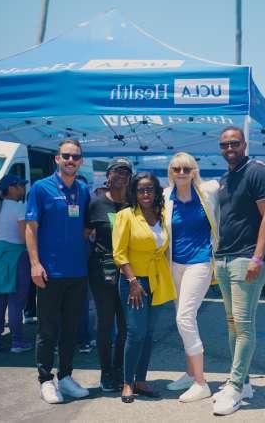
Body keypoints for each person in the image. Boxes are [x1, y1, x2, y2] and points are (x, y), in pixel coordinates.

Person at [211, 126, 265, 416]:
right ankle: (244, 382)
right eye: (224, 144)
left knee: (244, 323)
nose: (229, 148)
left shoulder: (256, 172)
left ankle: (235, 387)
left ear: (244, 144)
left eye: (234, 143)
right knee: (231, 324)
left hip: (245, 259)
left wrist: (257, 258)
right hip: (224, 258)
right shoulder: (226, 179)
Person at [25, 139, 91, 404]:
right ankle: (45, 380)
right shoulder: (40, 188)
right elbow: (31, 227)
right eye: (66, 156)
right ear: (57, 158)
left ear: (81, 161)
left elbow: (86, 226)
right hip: (49, 272)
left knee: (71, 330)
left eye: (75, 156)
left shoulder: (83, 190)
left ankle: (65, 376)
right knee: (47, 330)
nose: (71, 160)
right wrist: (34, 264)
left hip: (77, 271)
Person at [112, 172, 176, 404]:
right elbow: (119, 253)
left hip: (158, 280)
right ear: (134, 193)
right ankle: (127, 382)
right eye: (141, 190)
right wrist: (133, 282)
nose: (146, 194)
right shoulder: (125, 216)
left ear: (157, 192)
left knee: (148, 334)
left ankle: (141, 379)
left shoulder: (163, 215)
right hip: (134, 282)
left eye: (150, 189)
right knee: (136, 333)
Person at [163, 152, 219, 403]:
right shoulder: (165, 197)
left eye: (187, 168)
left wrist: (257, 165)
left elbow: (234, 179)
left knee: (184, 316)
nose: (182, 173)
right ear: (171, 172)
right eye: (177, 169)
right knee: (185, 317)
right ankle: (189, 373)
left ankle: (200, 382)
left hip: (201, 262)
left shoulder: (209, 192)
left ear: (194, 170)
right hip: (174, 264)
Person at [87, 157, 133, 392]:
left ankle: (119, 370)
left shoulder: (133, 205)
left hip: (128, 272)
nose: (121, 176)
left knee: (125, 326)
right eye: (117, 171)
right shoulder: (95, 204)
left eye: (126, 172)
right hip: (101, 270)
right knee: (105, 324)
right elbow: (84, 235)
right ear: (108, 174)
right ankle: (106, 373)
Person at [0, 174, 33, 353]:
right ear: (11, 188)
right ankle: (16, 342)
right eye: (21, 186)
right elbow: (23, 235)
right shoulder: (20, 207)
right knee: (16, 303)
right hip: (17, 256)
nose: (23, 189)